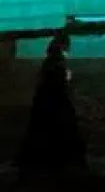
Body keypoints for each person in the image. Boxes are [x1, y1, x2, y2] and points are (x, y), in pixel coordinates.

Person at [14, 34, 86, 181]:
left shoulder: (50, 64)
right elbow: (57, 85)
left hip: (47, 104)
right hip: (54, 104)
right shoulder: (57, 64)